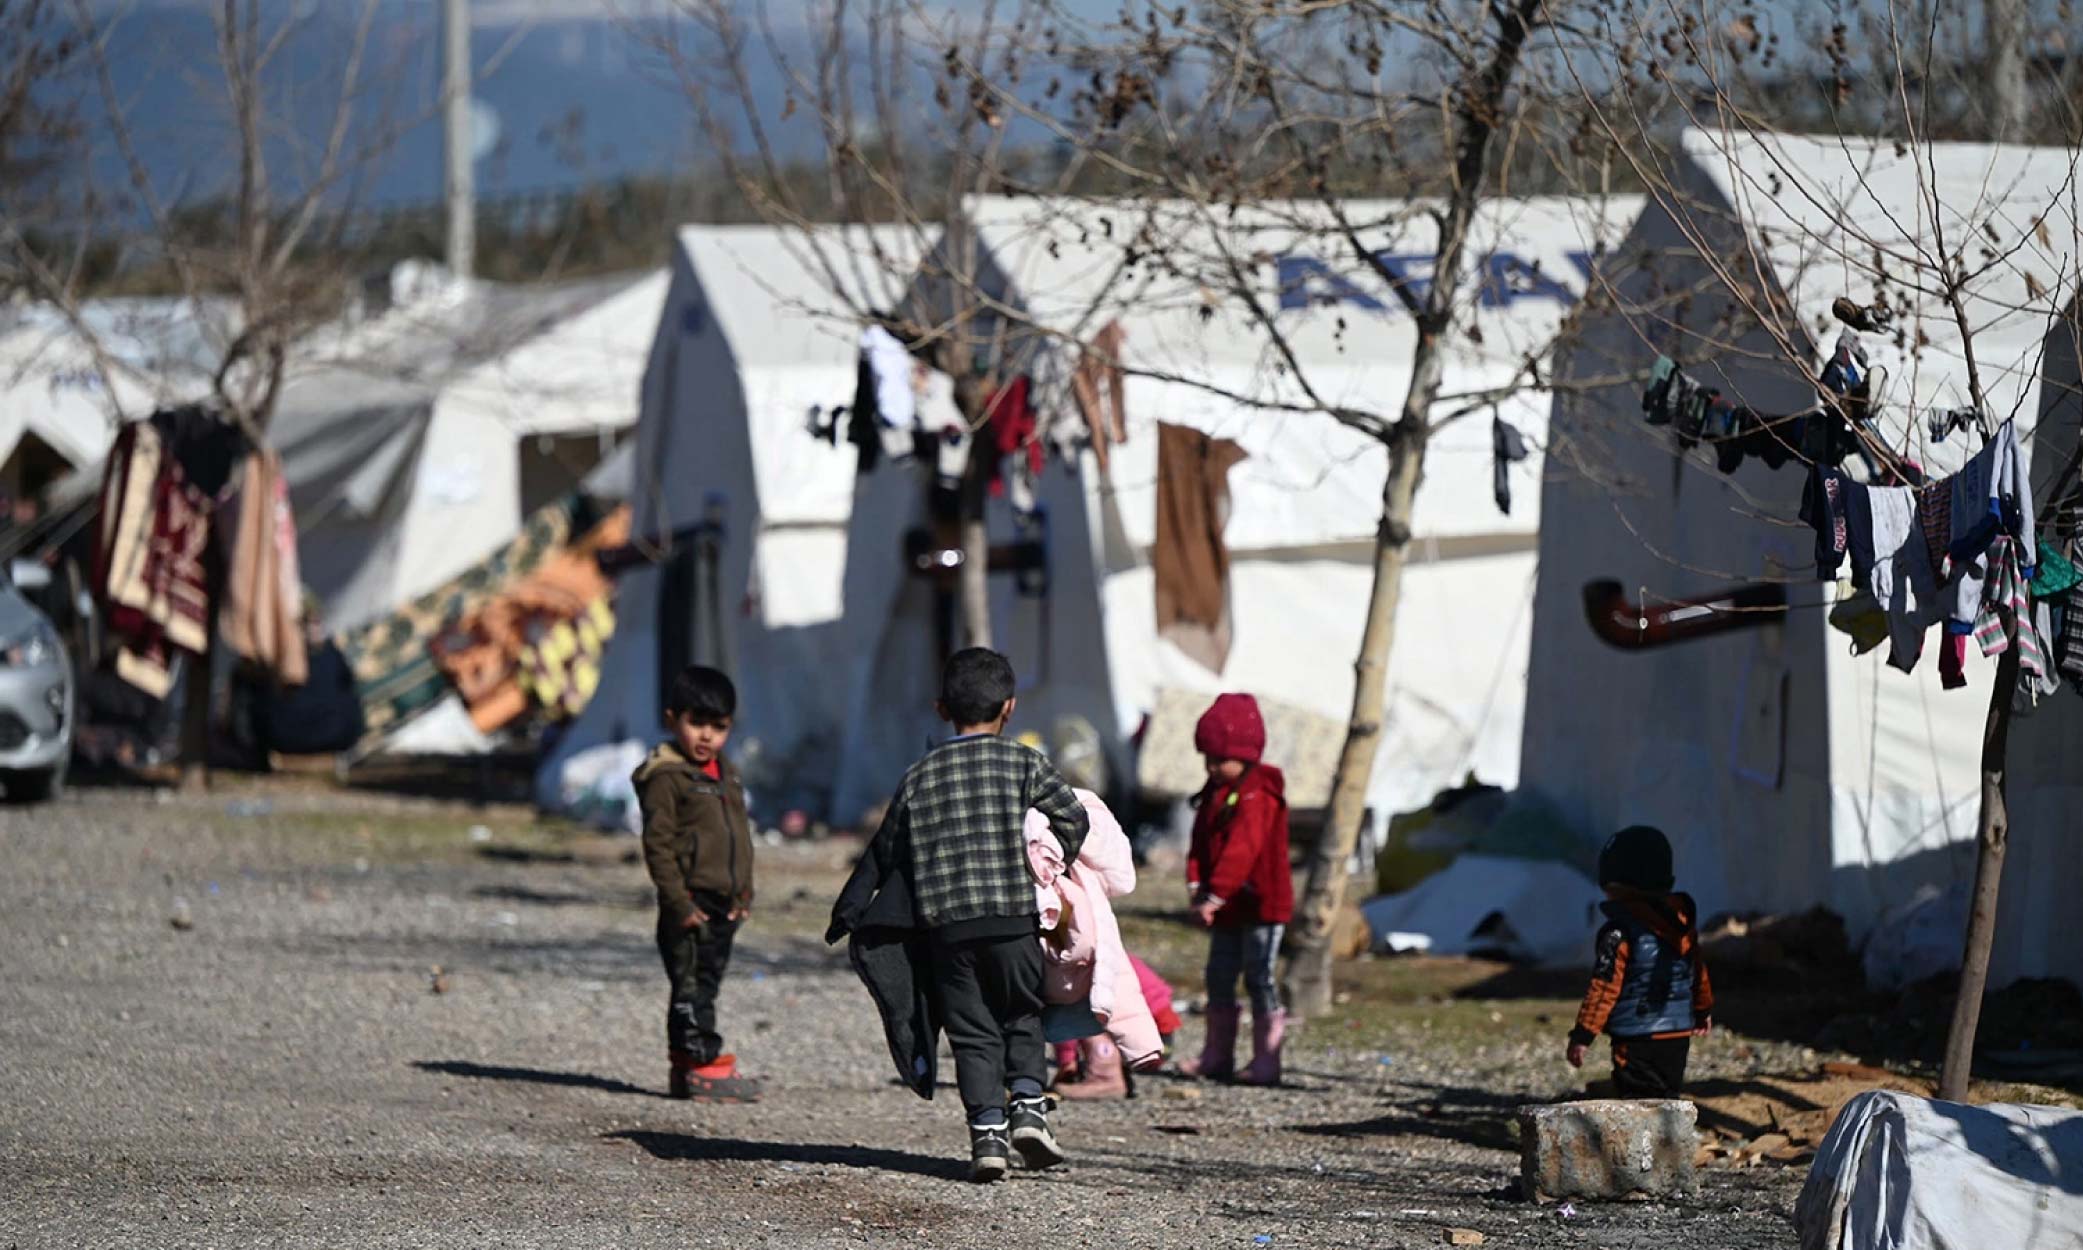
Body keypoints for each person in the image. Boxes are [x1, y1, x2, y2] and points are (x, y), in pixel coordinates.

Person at [829, 647, 1090, 1182]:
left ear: (942, 709)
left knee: (971, 1032)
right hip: (1014, 920)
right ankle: (1028, 1108)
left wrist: (849, 909)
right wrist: (1051, 863)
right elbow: (1073, 816)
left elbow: (886, 849)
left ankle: (988, 1138)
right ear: (1010, 708)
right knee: (1022, 1013)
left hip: (948, 931)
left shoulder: (918, 776)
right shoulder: (1025, 763)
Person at [635, 665, 759, 1102]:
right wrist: (678, 903)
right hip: (690, 902)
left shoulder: (725, 774)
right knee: (692, 987)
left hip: (724, 901)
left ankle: (687, 1067)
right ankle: (702, 1063)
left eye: (718, 727)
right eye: (696, 723)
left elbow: (739, 837)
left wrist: (743, 893)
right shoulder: (667, 778)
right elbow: (659, 846)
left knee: (707, 980)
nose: (706, 736)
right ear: (672, 719)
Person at [1179, 693, 1293, 1086]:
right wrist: (1197, 885)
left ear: (1246, 755)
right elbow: (1199, 844)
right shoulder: (1214, 794)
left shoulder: (1258, 794)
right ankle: (1217, 1054)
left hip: (1261, 903)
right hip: (1227, 905)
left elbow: (1241, 852)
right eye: (1207, 759)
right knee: (1219, 974)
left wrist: (1215, 894)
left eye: (1219, 760)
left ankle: (1267, 1059)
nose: (1211, 768)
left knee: (1259, 975)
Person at [1565, 825, 1714, 1097]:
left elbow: (1603, 987)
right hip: (1678, 1033)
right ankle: (1670, 1138)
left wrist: (1583, 1035)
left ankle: (1651, 1141)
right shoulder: (1682, 925)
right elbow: (1697, 972)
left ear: (1615, 884)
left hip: (1636, 1037)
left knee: (1637, 1102)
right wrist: (1702, 1010)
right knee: (1667, 1097)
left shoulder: (1619, 932)